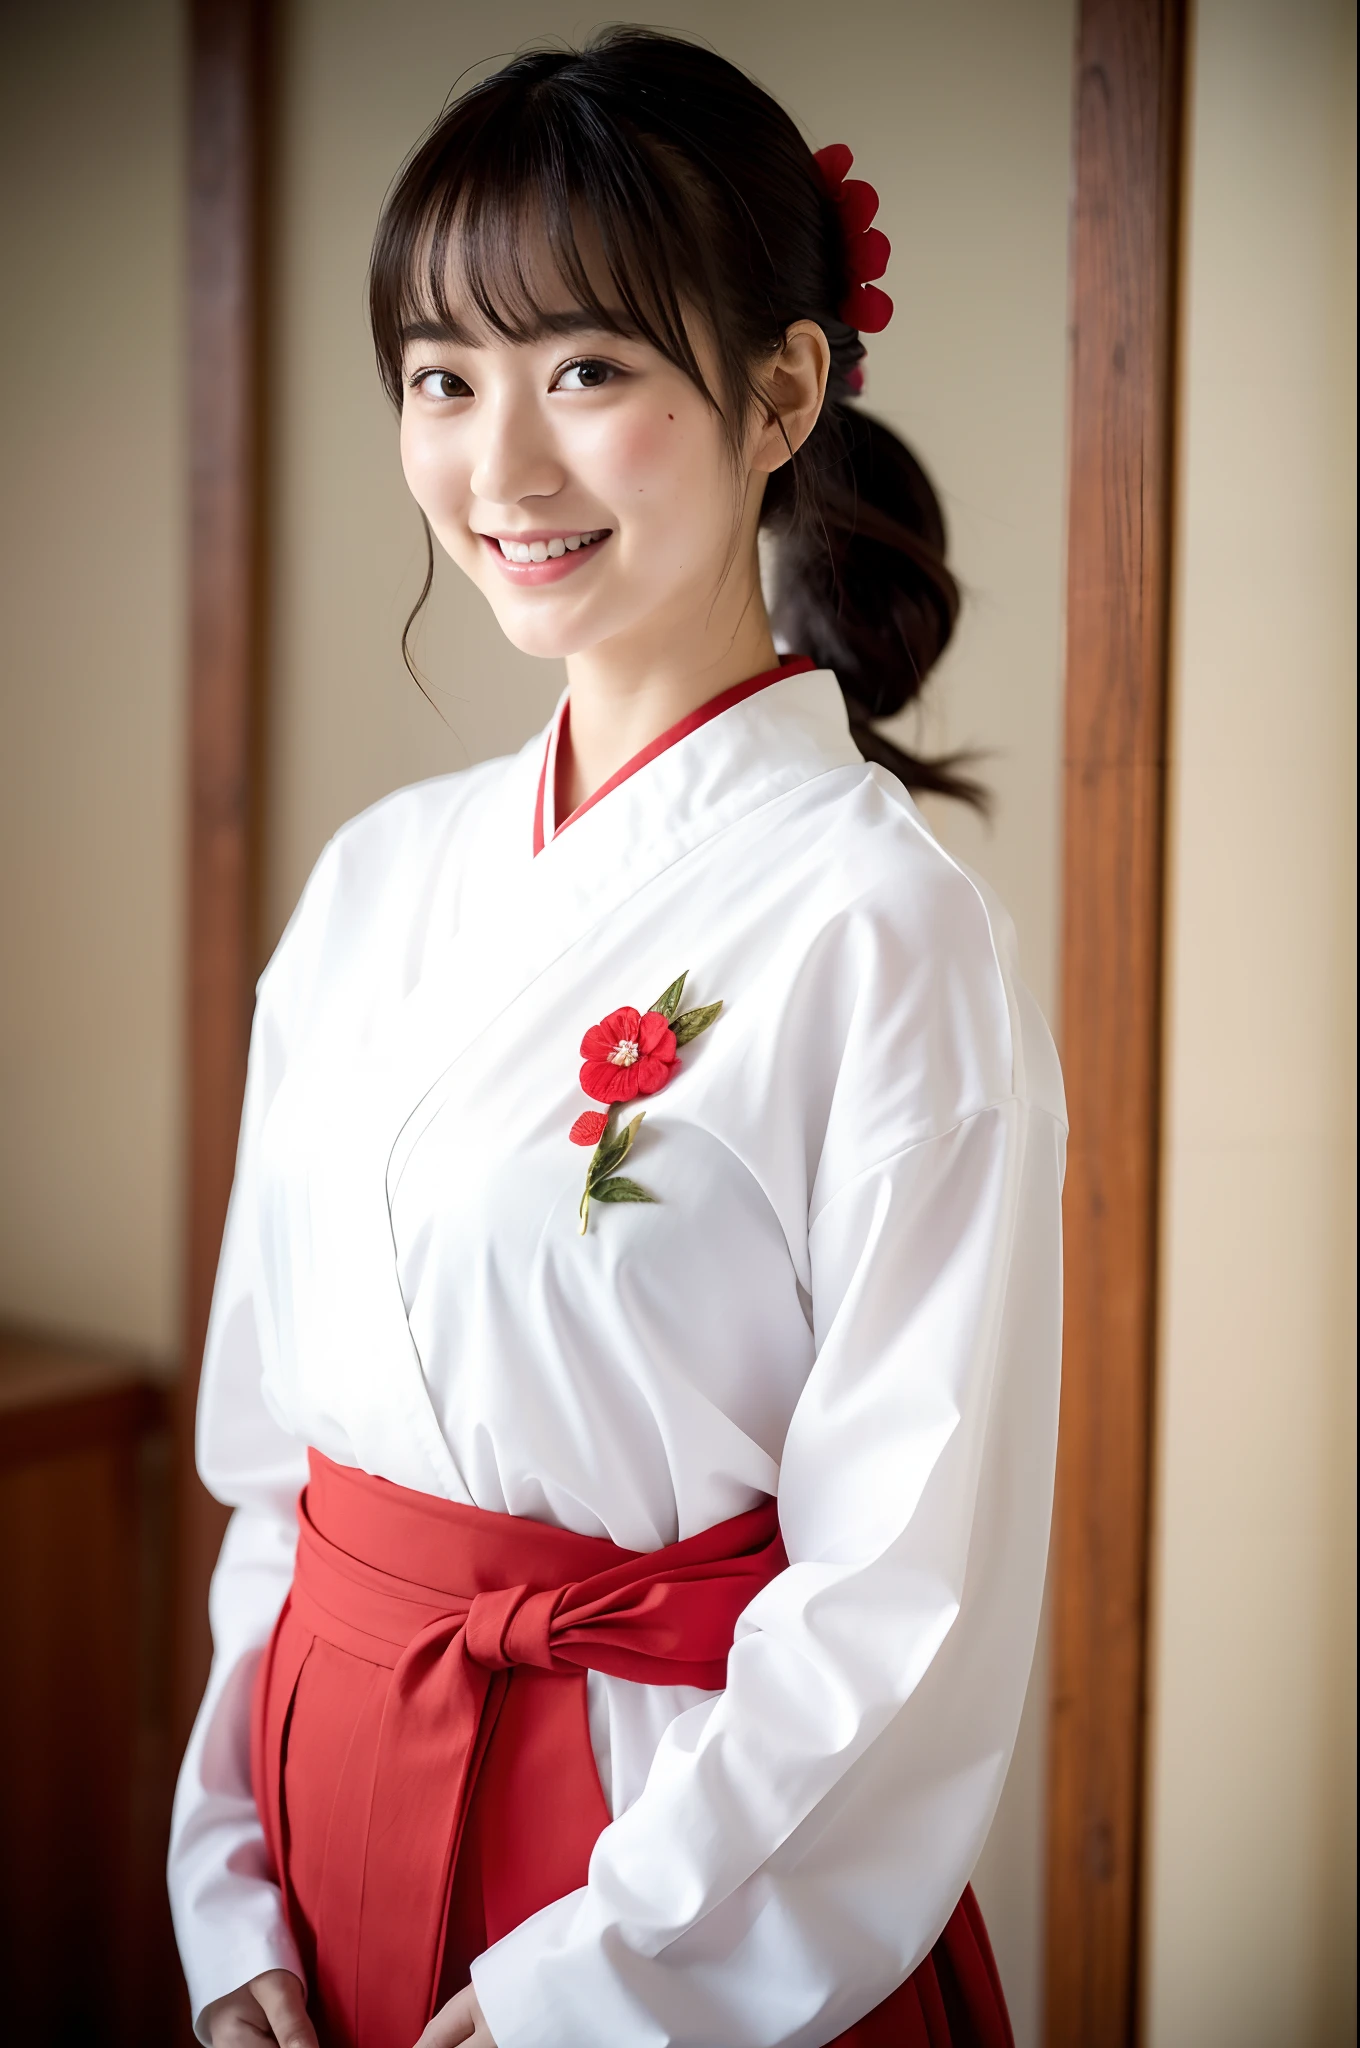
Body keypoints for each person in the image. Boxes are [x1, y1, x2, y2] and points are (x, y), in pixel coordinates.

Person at [168, 27, 1066, 2048]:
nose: (498, 467)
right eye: (439, 379)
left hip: (662, 1875)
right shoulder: (375, 882)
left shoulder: (878, 929)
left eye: (583, 369)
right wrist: (227, 1894)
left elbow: (899, 1602)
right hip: (319, 1828)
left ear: (777, 390)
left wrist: (585, 1988)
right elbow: (273, 1479)